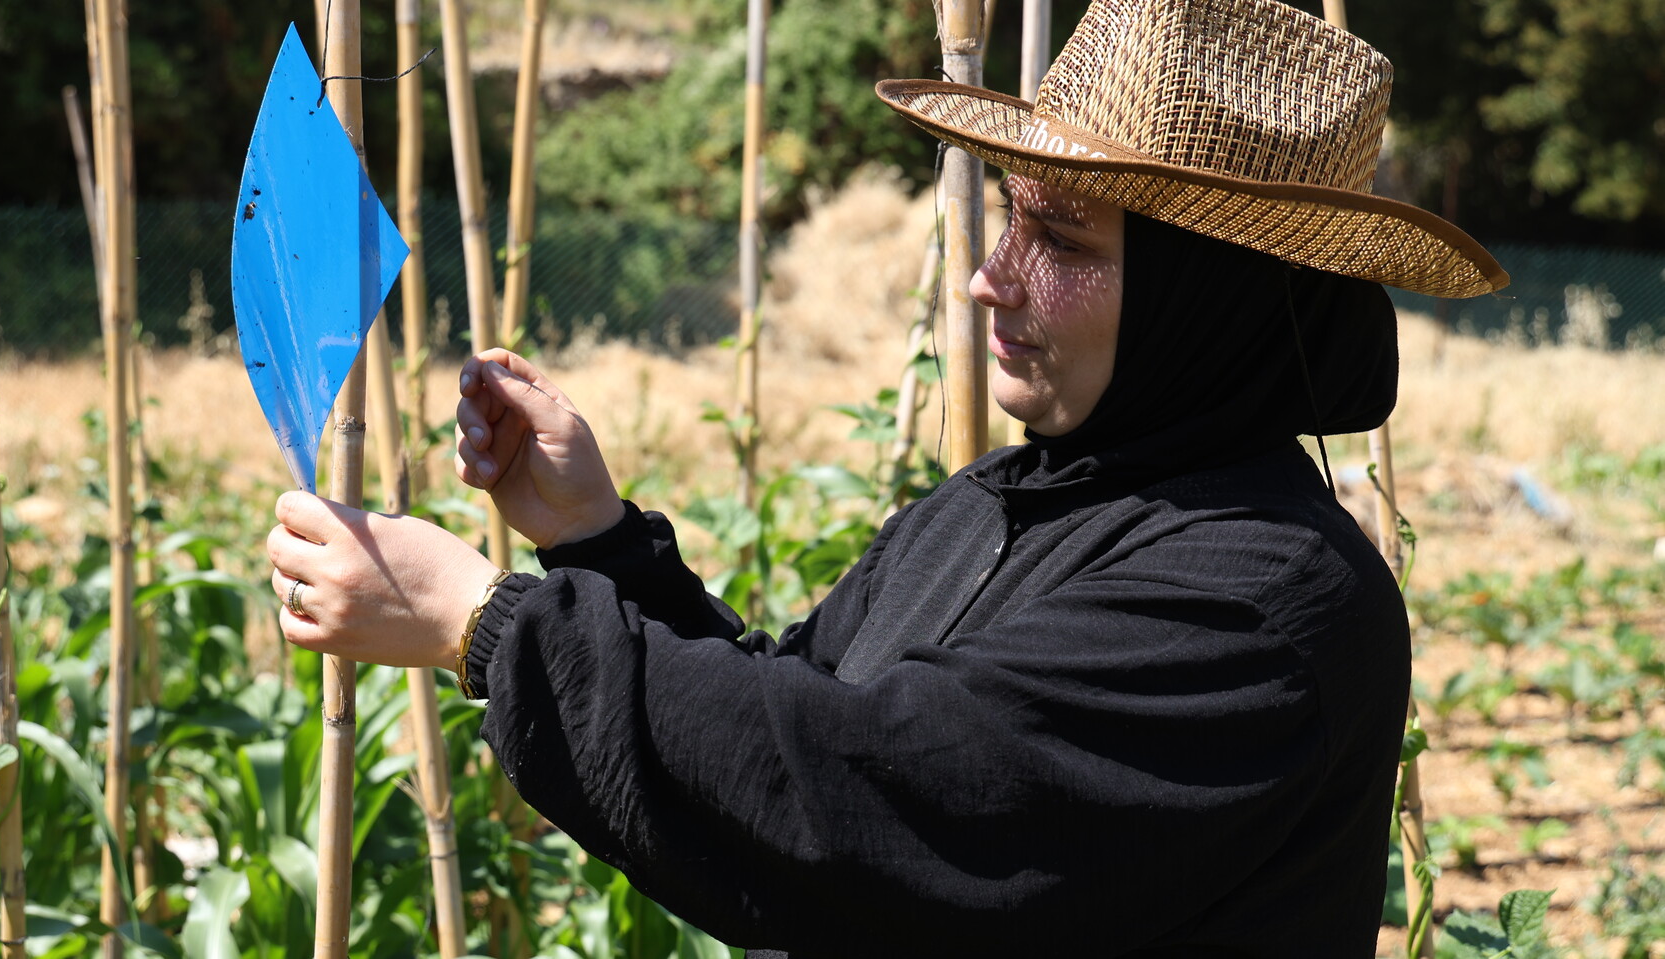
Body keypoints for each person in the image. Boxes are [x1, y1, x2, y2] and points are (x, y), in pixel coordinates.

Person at [263, 0, 1508, 954]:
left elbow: (876, 801)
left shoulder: (1263, 600)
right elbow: (790, 714)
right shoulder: (1015, 500)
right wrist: (595, 543)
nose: (991, 275)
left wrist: (488, 627)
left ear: (1209, 301)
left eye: (1060, 239)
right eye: (1010, 217)